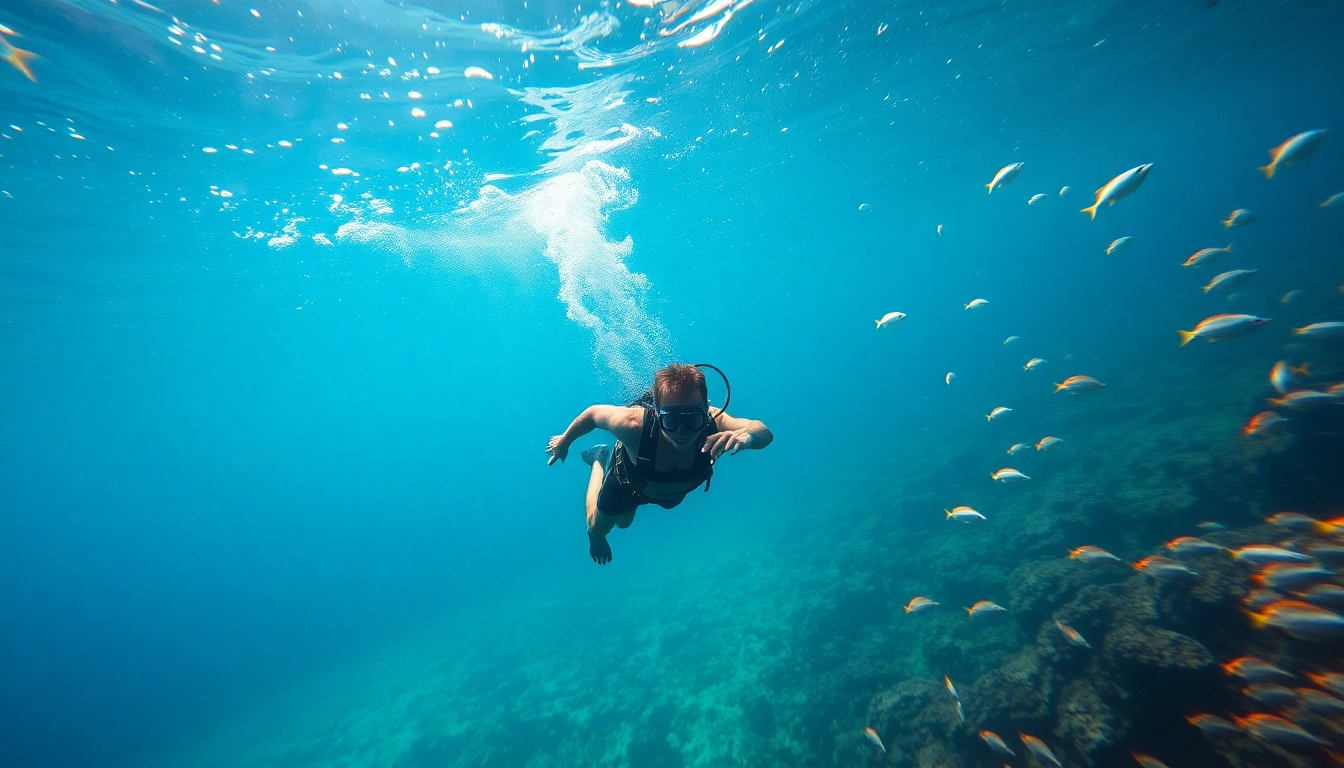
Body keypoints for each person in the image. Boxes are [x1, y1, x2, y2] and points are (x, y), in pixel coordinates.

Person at [546, 363, 773, 564]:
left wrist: (747, 436)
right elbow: (593, 414)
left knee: (625, 523)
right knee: (599, 528)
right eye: (671, 420)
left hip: (668, 492)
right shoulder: (632, 424)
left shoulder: (717, 422)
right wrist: (564, 442)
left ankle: (620, 493)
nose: (682, 431)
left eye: (692, 419)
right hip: (626, 483)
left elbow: (762, 431)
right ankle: (599, 460)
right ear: (655, 411)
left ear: (707, 409)